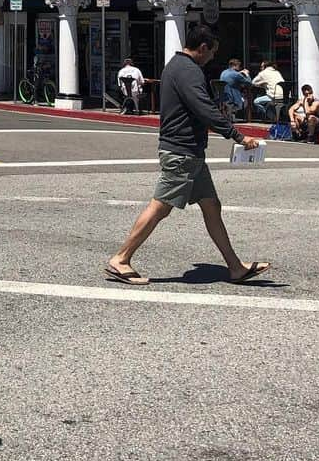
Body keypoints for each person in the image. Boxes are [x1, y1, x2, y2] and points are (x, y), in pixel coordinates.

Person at [106, 23, 270, 288]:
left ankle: (235, 267)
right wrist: (239, 136)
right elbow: (204, 109)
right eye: (212, 52)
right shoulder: (189, 71)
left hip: (190, 152)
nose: (212, 57)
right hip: (181, 152)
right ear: (202, 47)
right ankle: (121, 258)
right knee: (160, 206)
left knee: (211, 206)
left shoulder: (176, 66)